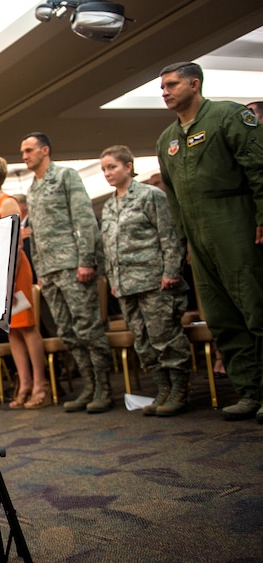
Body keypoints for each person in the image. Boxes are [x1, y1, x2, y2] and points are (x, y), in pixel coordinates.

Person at [156, 62, 263, 423]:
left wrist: (262, 216)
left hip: (234, 218)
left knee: (255, 306)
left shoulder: (227, 115)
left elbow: (258, 169)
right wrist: (185, 239)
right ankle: (250, 392)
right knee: (220, 316)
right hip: (197, 233)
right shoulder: (166, 138)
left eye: (172, 85)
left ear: (194, 84)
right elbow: (172, 196)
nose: (165, 91)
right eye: (163, 87)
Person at [21, 132, 113, 413]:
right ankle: (88, 386)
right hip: (49, 271)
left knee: (88, 328)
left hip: (73, 265)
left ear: (45, 150)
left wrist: (86, 260)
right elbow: (34, 234)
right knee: (68, 332)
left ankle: (104, 389)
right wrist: (39, 269)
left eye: (29, 150)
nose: (24, 155)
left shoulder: (65, 176)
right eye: (23, 151)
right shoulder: (33, 188)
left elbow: (84, 219)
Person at [99, 145, 192, 416]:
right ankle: (162, 389)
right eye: (104, 169)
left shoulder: (150, 196)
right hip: (126, 286)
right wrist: (114, 280)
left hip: (155, 282)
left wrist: (172, 272)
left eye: (112, 167)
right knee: (143, 342)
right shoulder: (108, 205)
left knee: (166, 338)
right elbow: (110, 246)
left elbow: (169, 236)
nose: (107, 173)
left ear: (128, 166)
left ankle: (179, 391)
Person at [0, 157, 51, 409]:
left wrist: (8, 279)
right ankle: (25, 383)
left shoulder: (8, 203)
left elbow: (16, 245)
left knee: (27, 327)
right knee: (12, 330)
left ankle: (41, 384)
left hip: (15, 272)